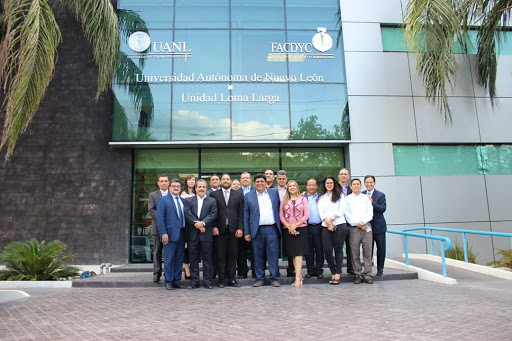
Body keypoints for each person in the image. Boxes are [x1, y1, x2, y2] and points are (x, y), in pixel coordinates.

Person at [244, 173, 281, 287]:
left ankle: (274, 278)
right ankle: (260, 278)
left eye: (262, 181)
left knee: (273, 254)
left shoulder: (274, 193)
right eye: (257, 182)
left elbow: (279, 209)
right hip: (256, 230)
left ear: (266, 182)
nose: (260, 183)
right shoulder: (248, 196)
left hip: (272, 228)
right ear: (254, 183)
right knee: (258, 255)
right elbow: (246, 215)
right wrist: (247, 232)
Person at [210, 174, 244, 288]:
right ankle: (221, 279)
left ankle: (231, 279)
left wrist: (240, 228)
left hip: (234, 230)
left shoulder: (238, 194)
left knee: (232, 256)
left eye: (227, 179)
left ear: (230, 181)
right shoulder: (214, 194)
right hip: (219, 230)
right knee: (220, 256)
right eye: (223, 179)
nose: (225, 181)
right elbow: (212, 212)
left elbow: (241, 213)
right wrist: (213, 226)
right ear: (220, 181)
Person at [184, 179, 218, 289]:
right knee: (193, 259)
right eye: (199, 187)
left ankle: (207, 282)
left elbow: (213, 214)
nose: (201, 189)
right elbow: (187, 213)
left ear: (206, 188)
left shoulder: (212, 201)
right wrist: (197, 224)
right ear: (195, 188)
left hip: (206, 234)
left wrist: (203, 223)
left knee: (207, 259)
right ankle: (194, 282)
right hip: (193, 234)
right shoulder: (189, 201)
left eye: (203, 187)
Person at [156, 178, 186, 290]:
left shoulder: (182, 201)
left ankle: (176, 281)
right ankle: (168, 281)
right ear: (169, 187)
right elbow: (160, 218)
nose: (176, 188)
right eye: (173, 186)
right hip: (169, 234)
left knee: (179, 259)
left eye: (178, 186)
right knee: (169, 258)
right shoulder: (163, 200)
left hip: (182, 234)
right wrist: (163, 233)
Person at [318, 176, 348, 285]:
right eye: (327, 183)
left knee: (338, 249)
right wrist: (327, 221)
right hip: (325, 226)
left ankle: (338, 273)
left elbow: (342, 209)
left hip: (339, 224)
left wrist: (332, 219)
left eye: (331, 183)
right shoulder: (322, 197)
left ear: (334, 184)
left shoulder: (340, 195)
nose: (329, 184)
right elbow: (320, 211)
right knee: (327, 250)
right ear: (324, 185)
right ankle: (332, 271)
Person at [279, 180, 310, 287]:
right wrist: (289, 227)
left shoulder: (303, 199)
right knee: (292, 254)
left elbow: (306, 215)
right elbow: (281, 216)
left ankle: (297, 278)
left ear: (297, 187)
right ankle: (299, 275)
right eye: (290, 186)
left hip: (301, 228)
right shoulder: (284, 200)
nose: (292, 187)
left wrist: (295, 226)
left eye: (293, 186)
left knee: (298, 253)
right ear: (287, 188)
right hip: (287, 230)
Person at [345, 178, 374, 284]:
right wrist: (357, 222)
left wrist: (363, 221)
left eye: (358, 184)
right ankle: (358, 274)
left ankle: (368, 274)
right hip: (354, 228)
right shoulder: (347, 199)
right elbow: (346, 214)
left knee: (367, 252)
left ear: (361, 186)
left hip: (366, 227)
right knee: (354, 252)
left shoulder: (366, 198)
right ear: (351, 186)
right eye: (354, 184)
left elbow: (370, 212)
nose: (356, 186)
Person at [363, 175, 387, 276]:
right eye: (367, 182)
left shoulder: (380, 195)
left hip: (379, 226)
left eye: (371, 182)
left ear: (374, 183)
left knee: (381, 248)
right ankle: (368, 270)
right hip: (366, 226)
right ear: (364, 184)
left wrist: (372, 203)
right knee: (368, 249)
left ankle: (380, 268)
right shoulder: (361, 194)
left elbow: (382, 208)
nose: (369, 184)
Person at [148, 174, 169, 283]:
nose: (164, 183)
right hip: (157, 229)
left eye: (166, 181)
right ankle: (157, 273)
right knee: (157, 252)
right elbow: (151, 210)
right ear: (158, 183)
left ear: (168, 183)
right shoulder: (153, 195)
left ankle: (168, 273)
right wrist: (162, 218)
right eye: (162, 181)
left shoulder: (172, 194)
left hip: (169, 230)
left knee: (168, 253)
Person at [275, 169, 294, 277]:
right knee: (275, 247)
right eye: (280, 179)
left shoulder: (292, 190)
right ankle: (275, 270)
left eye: (283, 179)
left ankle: (291, 270)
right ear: (277, 179)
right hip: (277, 222)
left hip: (290, 223)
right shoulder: (272, 190)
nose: (282, 180)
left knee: (290, 247)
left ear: (286, 179)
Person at [304, 178, 324, 279]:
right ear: (306, 186)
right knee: (309, 250)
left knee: (319, 249)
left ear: (316, 186)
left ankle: (319, 270)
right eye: (309, 185)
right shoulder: (302, 197)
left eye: (313, 185)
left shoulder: (321, 197)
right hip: (307, 227)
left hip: (319, 226)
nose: (311, 187)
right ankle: (310, 270)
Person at [237, 172, 253, 279]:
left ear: (250, 180)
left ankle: (256, 272)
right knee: (240, 251)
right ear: (240, 180)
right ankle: (242, 272)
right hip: (240, 226)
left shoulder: (256, 191)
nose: (245, 180)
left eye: (247, 178)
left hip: (253, 226)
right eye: (243, 178)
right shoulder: (235, 192)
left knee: (255, 251)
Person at [338, 168, 355, 275]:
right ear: (339, 176)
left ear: (348, 176)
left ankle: (351, 268)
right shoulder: (334, 188)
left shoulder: (353, 189)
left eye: (345, 174)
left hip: (350, 222)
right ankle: (337, 269)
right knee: (338, 247)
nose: (343, 176)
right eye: (341, 174)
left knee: (351, 246)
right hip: (338, 221)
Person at [180, 174, 195, 280]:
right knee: (187, 249)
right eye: (189, 180)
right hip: (187, 224)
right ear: (186, 182)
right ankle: (187, 272)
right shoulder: (183, 195)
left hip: (196, 225)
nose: (191, 182)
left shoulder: (196, 193)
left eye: (193, 180)